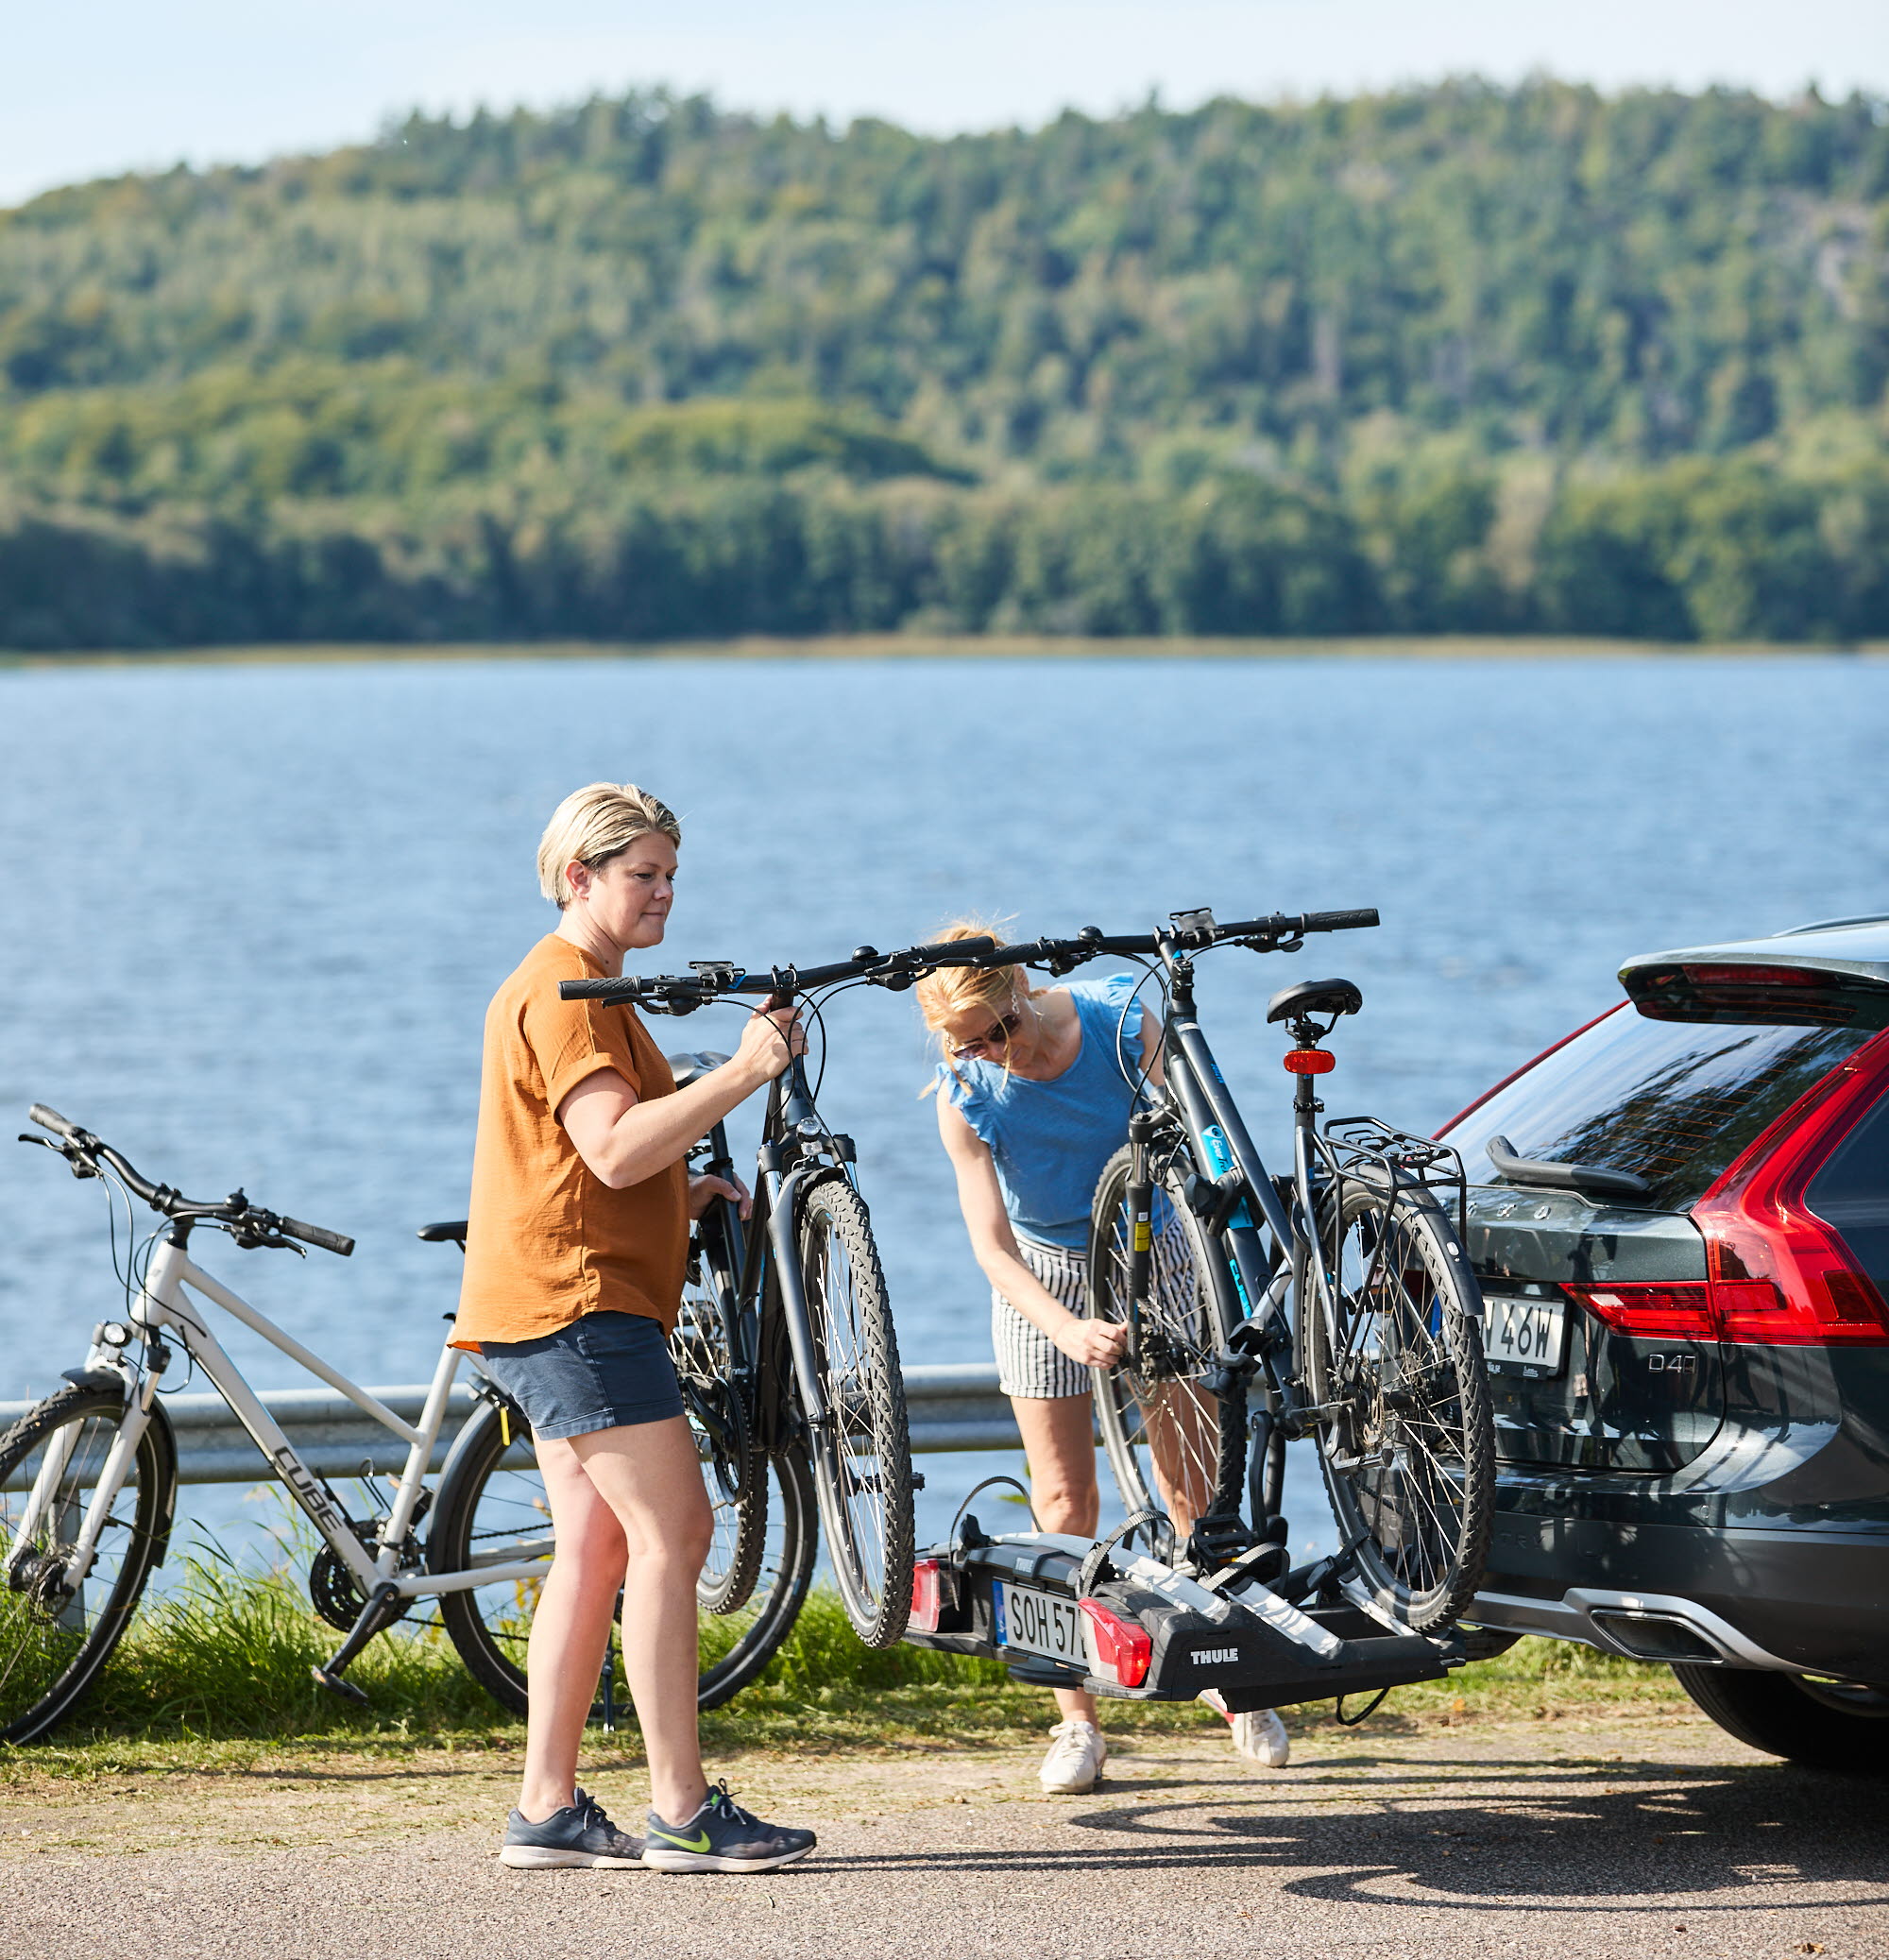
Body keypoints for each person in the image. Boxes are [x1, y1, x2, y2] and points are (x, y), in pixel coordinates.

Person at [454, 780, 816, 1874]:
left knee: (599, 1545)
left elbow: (604, 1161)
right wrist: (749, 1071)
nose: (663, 894)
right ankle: (683, 1809)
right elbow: (611, 1146)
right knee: (676, 1536)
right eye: (641, 874)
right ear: (580, 875)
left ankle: (546, 1808)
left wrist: (682, 1197)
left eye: (670, 875)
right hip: (579, 1309)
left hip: (543, 1300)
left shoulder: (597, 993)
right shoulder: (566, 994)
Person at [915, 922, 1291, 1795]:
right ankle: (1076, 1718)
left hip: (1154, 1248)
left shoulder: (1123, 1026)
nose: (987, 1054)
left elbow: (1206, 1148)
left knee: (1192, 1483)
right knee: (1062, 1499)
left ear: (1020, 990)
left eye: (994, 1031)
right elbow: (991, 1246)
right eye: (963, 1043)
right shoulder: (966, 1089)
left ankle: (1232, 1677)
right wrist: (1064, 1328)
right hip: (1043, 1274)